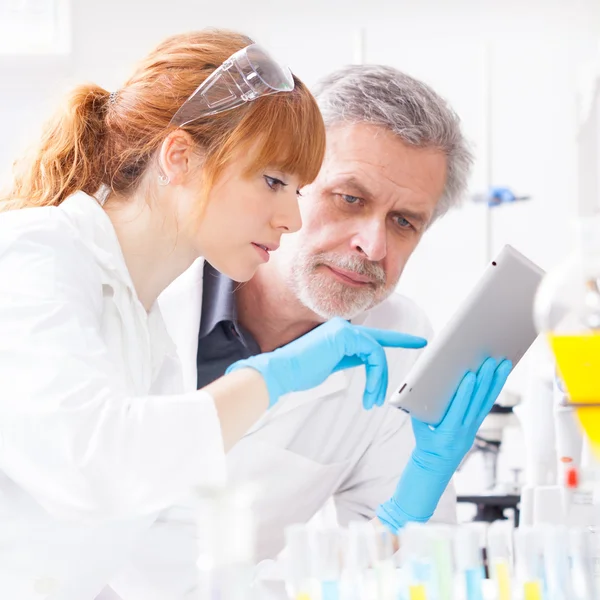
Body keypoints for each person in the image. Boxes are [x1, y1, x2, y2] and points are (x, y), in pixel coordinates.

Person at [0, 32, 427, 600]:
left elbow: (164, 563)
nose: (291, 219)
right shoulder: (34, 253)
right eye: (274, 181)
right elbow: (91, 464)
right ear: (180, 157)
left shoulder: (146, 334)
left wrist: (402, 514)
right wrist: (266, 381)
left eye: (297, 190)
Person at [106, 65, 512, 599]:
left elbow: (401, 576)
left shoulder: (401, 342)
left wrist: (416, 503)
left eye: (404, 221)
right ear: (289, 178)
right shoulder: (146, 282)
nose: (372, 245)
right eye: (350, 198)